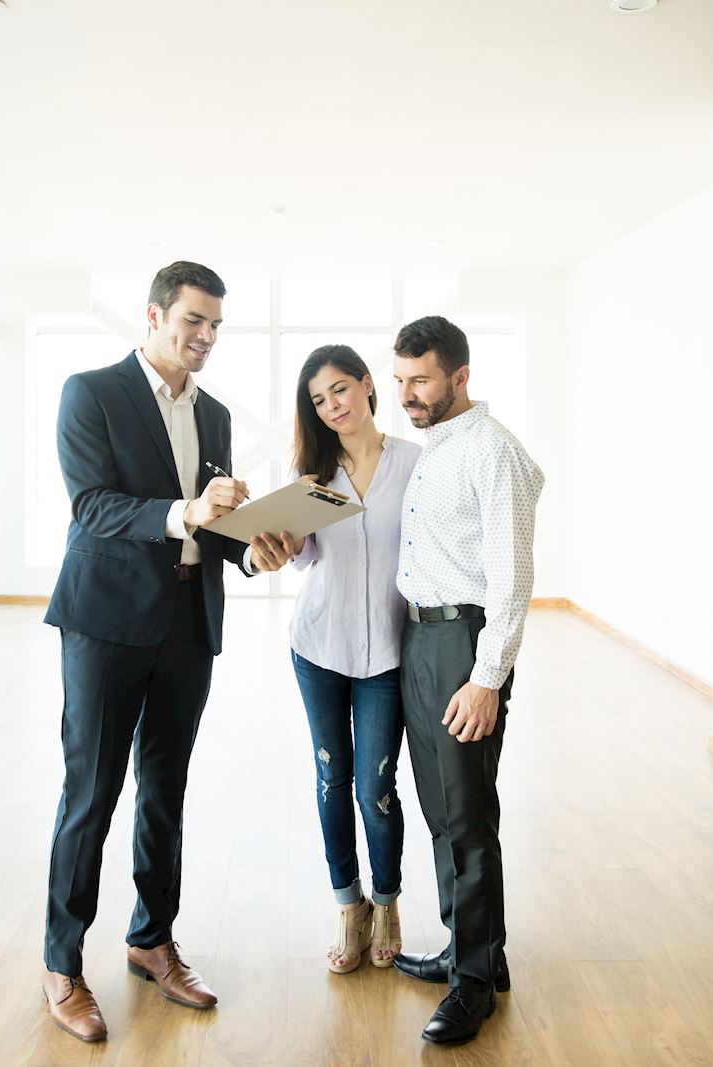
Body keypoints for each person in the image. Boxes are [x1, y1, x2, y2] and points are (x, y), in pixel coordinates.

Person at [40, 262, 295, 1043]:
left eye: (216, 325)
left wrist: (255, 552)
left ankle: (153, 939)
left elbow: (211, 529)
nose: (206, 336)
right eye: (194, 320)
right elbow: (94, 508)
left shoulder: (212, 414)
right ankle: (62, 964)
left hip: (188, 626)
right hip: (105, 626)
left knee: (165, 790)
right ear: (153, 315)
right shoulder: (91, 392)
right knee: (92, 792)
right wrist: (189, 508)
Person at [387, 316, 544, 1046]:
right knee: (442, 809)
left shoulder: (493, 452)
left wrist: (487, 677)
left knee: (468, 813)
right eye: (400, 381)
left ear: (460, 376)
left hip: (464, 642)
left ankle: (473, 983)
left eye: (420, 380)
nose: (407, 394)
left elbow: (513, 577)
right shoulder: (433, 448)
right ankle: (472, 949)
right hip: (420, 634)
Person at [285, 345, 421, 974]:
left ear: (368, 386)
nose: (332, 407)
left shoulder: (416, 465)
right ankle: (350, 905)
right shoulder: (313, 476)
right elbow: (302, 557)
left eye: (340, 390)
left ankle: (388, 901)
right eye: (318, 400)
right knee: (331, 780)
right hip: (319, 646)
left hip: (390, 652)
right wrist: (283, 536)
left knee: (376, 786)